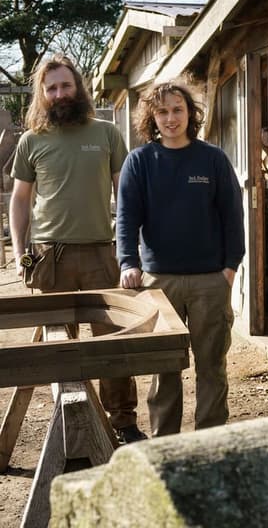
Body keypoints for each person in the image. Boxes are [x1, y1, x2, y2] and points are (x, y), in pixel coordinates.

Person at [10, 53, 145, 444]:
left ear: (78, 87)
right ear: (42, 93)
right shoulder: (31, 140)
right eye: (51, 88)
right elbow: (20, 201)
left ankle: (123, 423)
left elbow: (126, 192)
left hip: (103, 254)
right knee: (59, 349)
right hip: (51, 257)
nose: (58, 93)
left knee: (113, 344)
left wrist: (129, 250)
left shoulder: (106, 133)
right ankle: (72, 426)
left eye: (65, 85)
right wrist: (22, 254)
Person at [116, 82, 245, 437]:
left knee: (212, 366)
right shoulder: (140, 161)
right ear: (151, 118)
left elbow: (233, 217)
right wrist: (128, 262)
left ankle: (211, 442)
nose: (171, 118)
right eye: (162, 111)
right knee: (164, 368)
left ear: (190, 113)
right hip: (159, 281)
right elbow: (127, 219)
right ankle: (165, 445)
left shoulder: (212, 159)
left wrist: (230, 269)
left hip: (210, 280)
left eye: (177, 110)